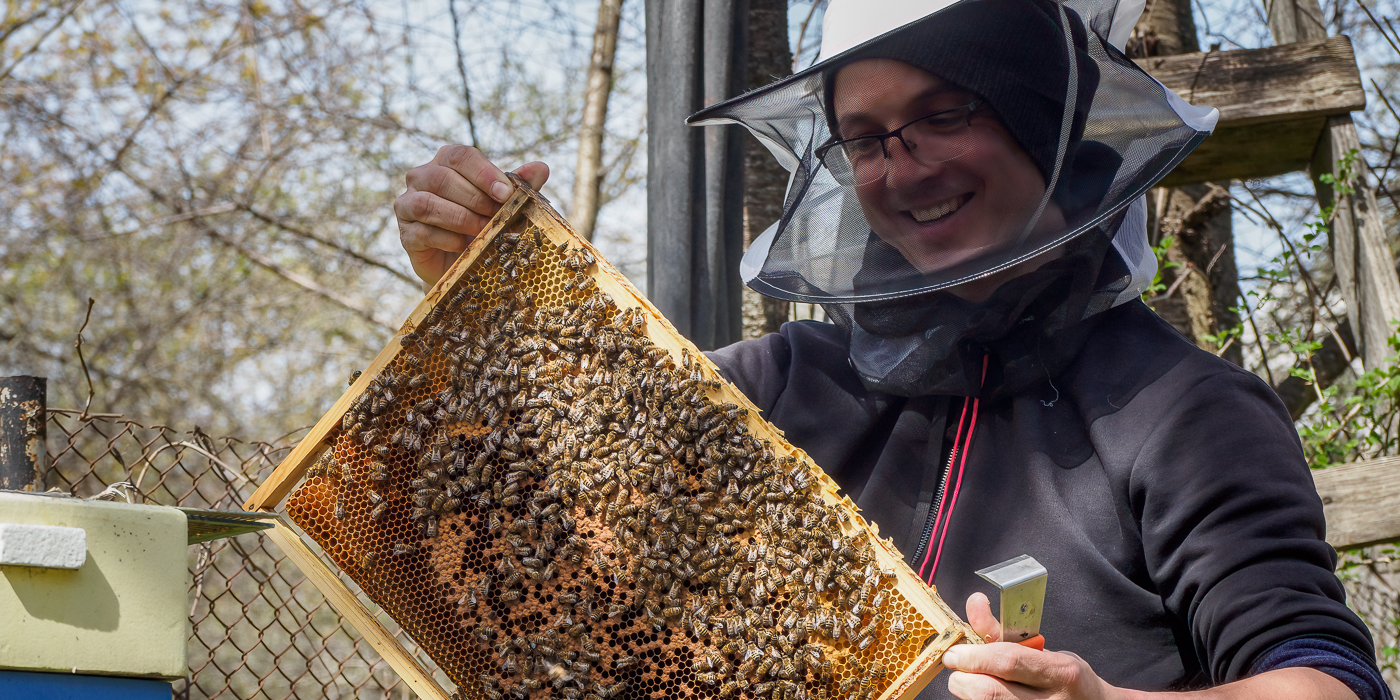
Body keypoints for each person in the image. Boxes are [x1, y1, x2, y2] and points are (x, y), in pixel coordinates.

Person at [394, 1, 1392, 699]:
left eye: (941, 114)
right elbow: (545, 520)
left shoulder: (1182, 413)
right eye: (864, 138)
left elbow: (1322, 677)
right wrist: (485, 295)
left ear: (1037, 122)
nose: (900, 168)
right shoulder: (776, 388)